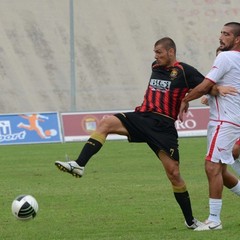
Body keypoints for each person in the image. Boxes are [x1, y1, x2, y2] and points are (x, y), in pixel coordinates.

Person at [55, 37, 205, 229]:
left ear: (171, 52)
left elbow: (206, 85)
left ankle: (191, 221)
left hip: (163, 126)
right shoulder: (155, 66)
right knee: (107, 123)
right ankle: (79, 164)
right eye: (155, 52)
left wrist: (188, 98)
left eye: (159, 52)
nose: (155, 56)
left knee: (174, 174)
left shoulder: (184, 71)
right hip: (142, 117)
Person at [179, 22, 240, 231]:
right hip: (229, 120)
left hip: (224, 122)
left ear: (237, 39)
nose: (221, 37)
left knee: (212, 166)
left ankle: (214, 220)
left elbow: (205, 85)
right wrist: (213, 96)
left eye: (226, 34)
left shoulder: (226, 57)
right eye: (221, 33)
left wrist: (185, 100)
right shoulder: (236, 59)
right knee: (220, 169)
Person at [201, 47, 240, 176]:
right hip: (224, 123)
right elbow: (207, 90)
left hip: (232, 122)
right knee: (220, 167)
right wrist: (209, 95)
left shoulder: (234, 76)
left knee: (231, 153)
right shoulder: (215, 80)